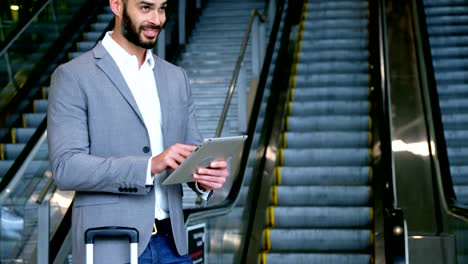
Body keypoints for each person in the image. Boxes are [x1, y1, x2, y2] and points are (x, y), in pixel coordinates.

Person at [47, 0, 229, 263]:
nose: (157, 19)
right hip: (111, 244)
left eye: (162, 8)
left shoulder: (176, 77)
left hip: (173, 243)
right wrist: (149, 166)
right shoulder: (73, 76)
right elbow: (67, 167)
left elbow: (190, 153)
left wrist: (202, 176)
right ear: (117, 5)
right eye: (146, 7)